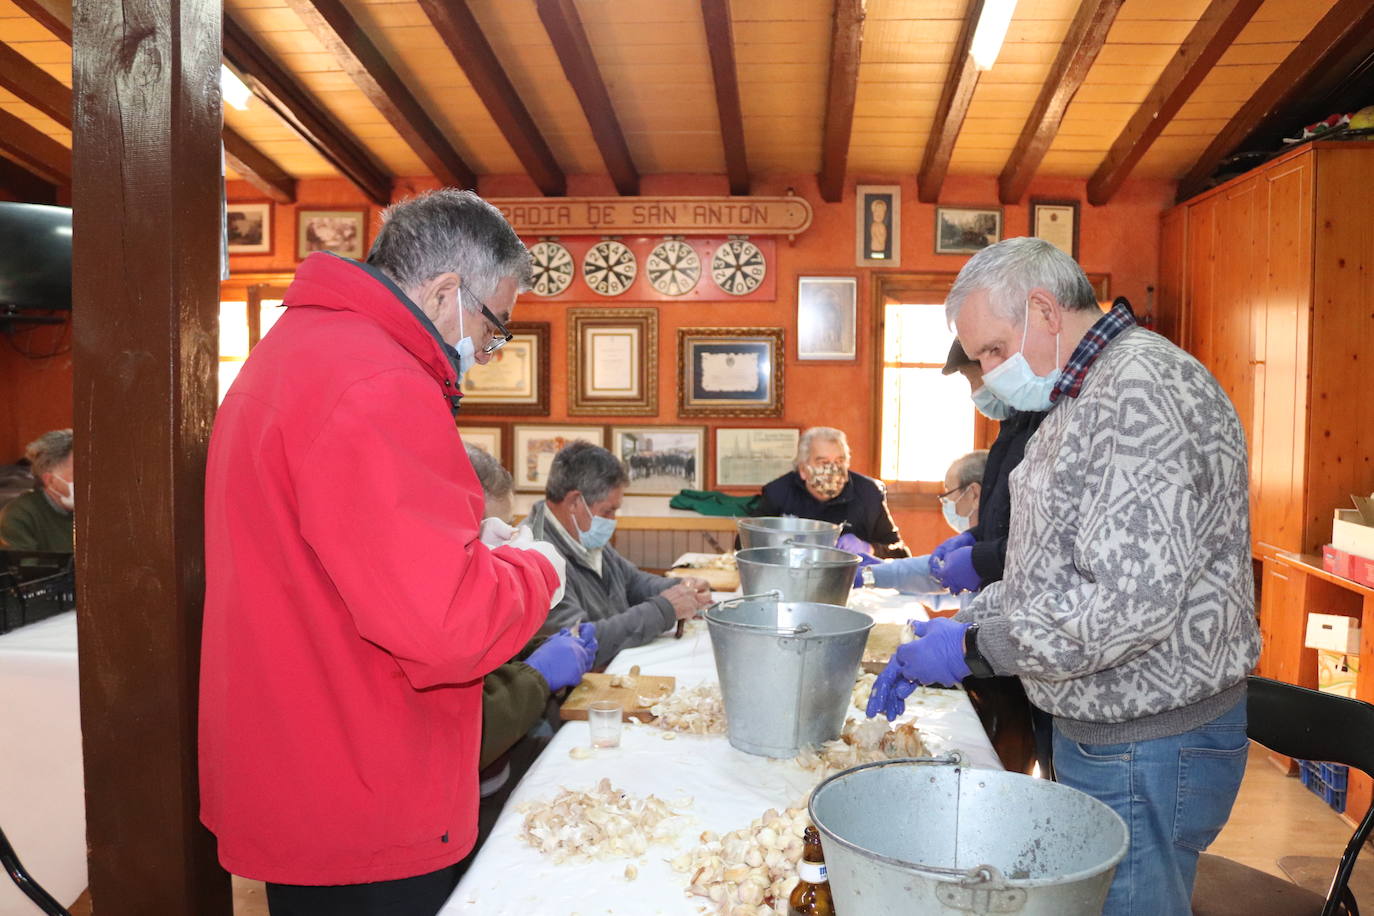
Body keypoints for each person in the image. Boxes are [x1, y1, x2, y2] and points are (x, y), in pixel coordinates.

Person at [200, 189, 569, 916]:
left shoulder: (302, 348)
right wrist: (538, 569)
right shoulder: (381, 381)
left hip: (300, 756)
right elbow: (448, 632)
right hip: (363, 776)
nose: (487, 356)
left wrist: (471, 553)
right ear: (445, 293)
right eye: (494, 330)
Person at [868, 237, 1259, 915]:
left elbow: (1125, 608)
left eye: (992, 350)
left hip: (1148, 742)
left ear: (1044, 310)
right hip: (1108, 730)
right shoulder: (1077, 395)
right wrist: (964, 622)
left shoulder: (1140, 390)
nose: (989, 372)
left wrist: (971, 650)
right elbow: (1045, 572)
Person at [526, 441, 713, 666]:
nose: (612, 521)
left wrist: (682, 589)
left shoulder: (578, 532)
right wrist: (665, 609)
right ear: (575, 502)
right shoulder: (533, 557)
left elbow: (632, 581)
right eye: (607, 511)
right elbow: (576, 641)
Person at [754, 427, 909, 558]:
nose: (833, 469)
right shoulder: (778, 492)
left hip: (853, 584)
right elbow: (745, 545)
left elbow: (901, 552)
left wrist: (870, 549)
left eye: (839, 461)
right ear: (803, 470)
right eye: (824, 463)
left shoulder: (869, 493)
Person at [0, 429, 74, 552]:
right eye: (77, 474)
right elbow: (27, 568)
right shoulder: (19, 516)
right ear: (50, 480)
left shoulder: (100, 510)